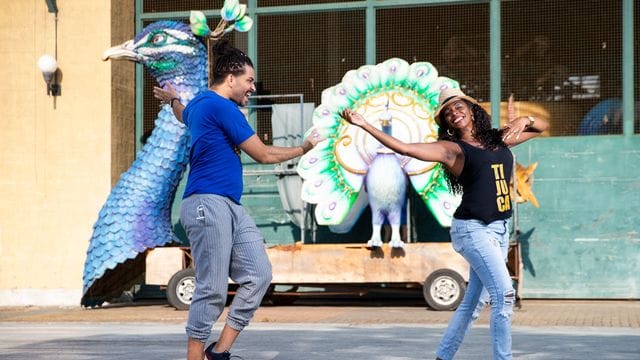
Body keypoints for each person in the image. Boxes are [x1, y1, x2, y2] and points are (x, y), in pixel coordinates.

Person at [341, 87, 548, 360]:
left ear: (472, 110)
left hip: (499, 229)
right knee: (505, 295)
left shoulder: (498, 140)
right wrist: (365, 125)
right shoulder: (452, 150)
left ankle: (443, 356)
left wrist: (525, 120)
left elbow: (542, 126)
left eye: (458, 106)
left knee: (474, 304)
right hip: (473, 230)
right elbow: (405, 148)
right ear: (446, 123)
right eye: (448, 112)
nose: (454, 112)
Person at [153, 40, 323, 360]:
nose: (253, 88)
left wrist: (173, 98)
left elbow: (182, 114)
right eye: (249, 81)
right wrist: (304, 149)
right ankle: (193, 357)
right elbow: (263, 153)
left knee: (258, 275)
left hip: (230, 205)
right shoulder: (221, 107)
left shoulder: (200, 105)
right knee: (212, 288)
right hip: (208, 204)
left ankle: (219, 352)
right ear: (230, 78)